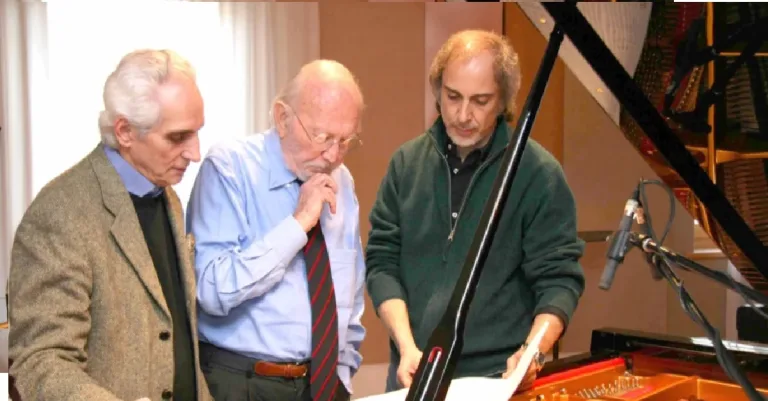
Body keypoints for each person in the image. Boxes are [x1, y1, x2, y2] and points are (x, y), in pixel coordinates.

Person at [365, 29, 586, 392]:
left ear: (504, 101)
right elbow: (382, 263)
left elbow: (559, 280)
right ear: (438, 90)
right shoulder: (406, 164)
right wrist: (406, 346)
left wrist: (532, 352)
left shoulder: (538, 173)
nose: (463, 114)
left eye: (480, 101)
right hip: (413, 370)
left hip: (494, 380)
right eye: (453, 97)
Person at [8, 49, 212, 401]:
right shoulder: (60, 212)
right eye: (178, 137)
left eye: (196, 133)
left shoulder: (167, 194)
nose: (195, 153)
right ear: (125, 131)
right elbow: (40, 360)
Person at [186, 59, 366, 401]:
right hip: (242, 382)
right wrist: (297, 225)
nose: (333, 155)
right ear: (282, 118)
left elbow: (351, 289)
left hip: (323, 384)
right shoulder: (229, 168)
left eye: (345, 141)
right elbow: (210, 289)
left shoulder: (342, 180)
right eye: (322, 136)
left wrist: (342, 372)